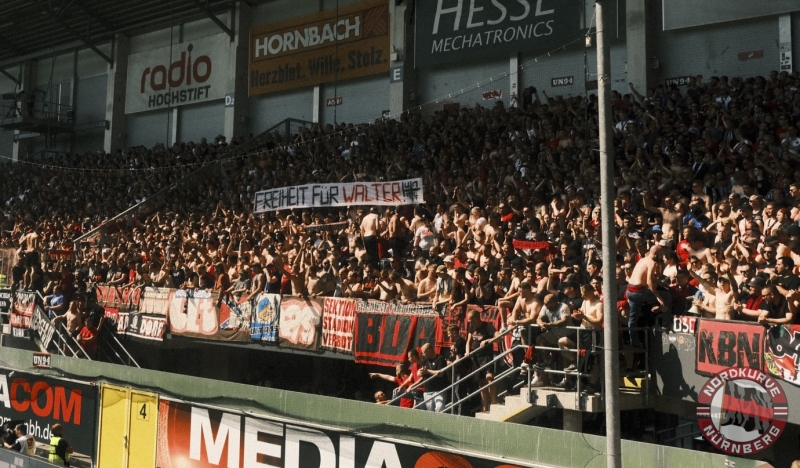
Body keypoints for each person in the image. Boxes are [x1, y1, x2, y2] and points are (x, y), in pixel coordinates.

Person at [465, 308, 496, 412]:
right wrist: (467, 351)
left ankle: (494, 402)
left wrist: (487, 341)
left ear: (476, 318)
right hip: (476, 358)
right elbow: (468, 341)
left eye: (470, 319)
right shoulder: (471, 327)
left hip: (486, 356)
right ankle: (485, 406)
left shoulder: (488, 326)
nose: (469, 321)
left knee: (490, 378)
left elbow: (499, 336)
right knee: (482, 383)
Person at [417, 343, 449, 412]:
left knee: (439, 408)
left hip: (439, 390)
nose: (423, 355)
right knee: (430, 412)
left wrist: (427, 371)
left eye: (424, 353)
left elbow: (440, 373)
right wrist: (421, 372)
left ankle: (439, 422)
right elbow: (418, 374)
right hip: (428, 391)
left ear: (429, 350)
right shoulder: (425, 362)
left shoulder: (440, 359)